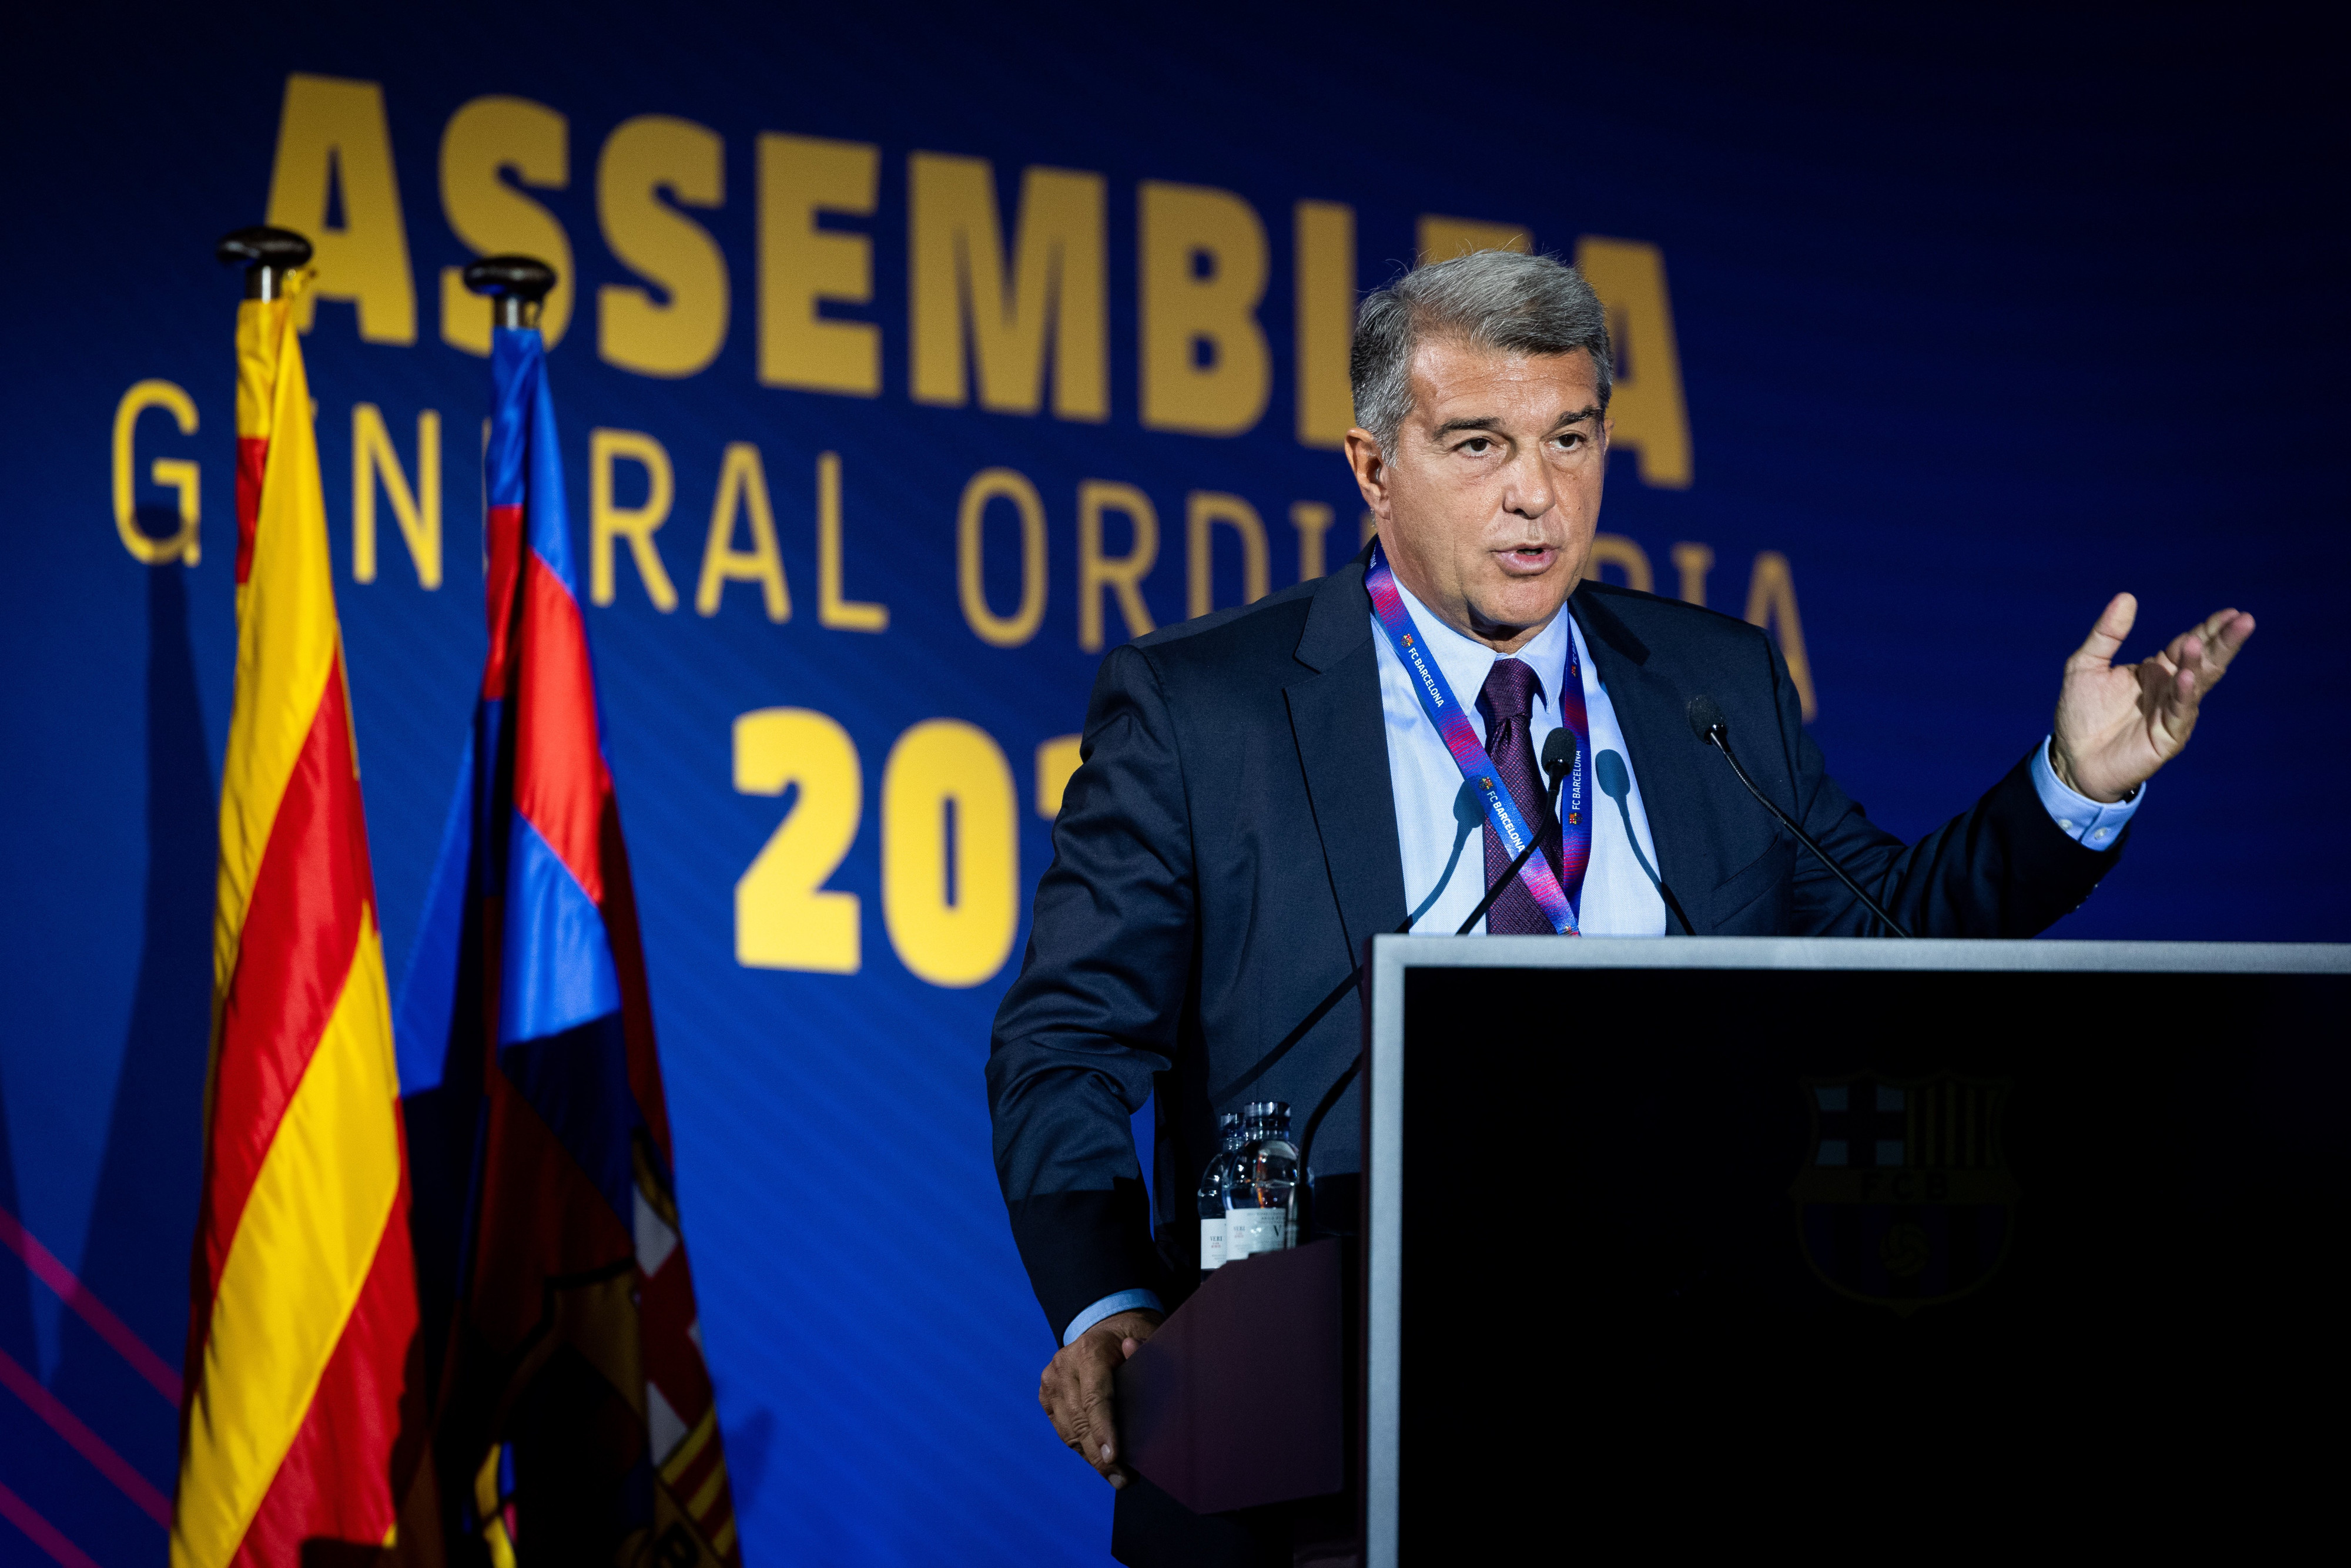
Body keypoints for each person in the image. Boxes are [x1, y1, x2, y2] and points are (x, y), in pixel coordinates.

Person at [985, 249, 2252, 1550]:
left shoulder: (1709, 684)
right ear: (1372, 467)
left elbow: (1883, 940)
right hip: (1319, 1411)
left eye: (1569, 438)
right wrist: (1111, 1306)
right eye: (1477, 444)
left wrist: (2069, 787)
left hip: (1676, 1399)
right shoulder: (1206, 707)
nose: (1536, 495)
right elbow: (1065, 1045)